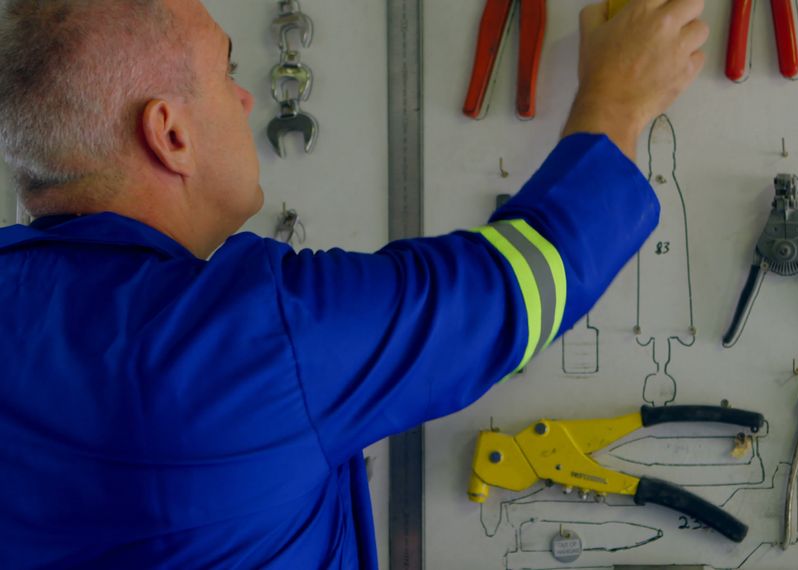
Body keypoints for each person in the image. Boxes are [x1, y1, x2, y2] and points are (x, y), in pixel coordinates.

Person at [0, 0, 707, 567]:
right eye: (227, 71)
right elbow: (522, 282)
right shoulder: (253, 337)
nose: (247, 100)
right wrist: (617, 99)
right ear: (170, 135)